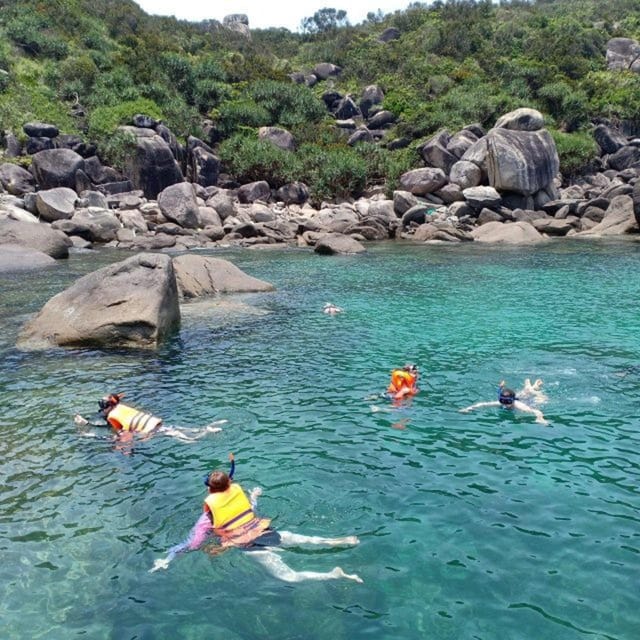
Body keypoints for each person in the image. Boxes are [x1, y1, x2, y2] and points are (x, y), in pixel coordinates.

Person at [150, 454, 362, 583]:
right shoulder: (239, 494)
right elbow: (250, 510)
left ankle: (333, 575)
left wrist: (168, 558)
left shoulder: (208, 516)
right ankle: (340, 540)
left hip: (251, 546)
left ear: (209, 489)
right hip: (267, 531)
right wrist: (254, 496)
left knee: (288, 576)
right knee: (303, 539)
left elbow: (193, 543)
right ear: (228, 485)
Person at [73, 393, 225, 442]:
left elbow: (119, 432)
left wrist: (88, 428)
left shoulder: (112, 416)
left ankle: (204, 433)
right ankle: (207, 428)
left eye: (103, 408)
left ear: (108, 408)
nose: (102, 411)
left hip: (150, 429)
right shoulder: (122, 407)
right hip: (155, 422)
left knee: (182, 437)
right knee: (176, 429)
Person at [459, 380, 548, 425]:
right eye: (503, 401)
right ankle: (530, 386)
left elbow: (537, 411)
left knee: (540, 397)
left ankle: (534, 386)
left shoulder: (519, 405)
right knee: (526, 391)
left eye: (508, 401)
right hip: (517, 396)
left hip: (525, 400)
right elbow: (482, 404)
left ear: (512, 400)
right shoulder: (501, 403)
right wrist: (468, 408)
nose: (505, 404)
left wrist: (540, 419)